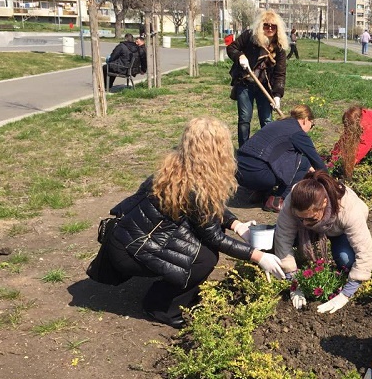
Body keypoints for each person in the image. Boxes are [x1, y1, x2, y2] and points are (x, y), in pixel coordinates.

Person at [93, 117, 285, 327]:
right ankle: (159, 305)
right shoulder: (193, 185)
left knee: (198, 250)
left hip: (129, 237)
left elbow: (207, 208)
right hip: (129, 249)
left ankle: (176, 294)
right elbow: (214, 236)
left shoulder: (178, 168)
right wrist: (258, 256)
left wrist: (236, 225)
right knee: (204, 259)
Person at [274, 170, 372, 314]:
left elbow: (365, 253)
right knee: (273, 244)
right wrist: (293, 281)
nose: (305, 223)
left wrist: (345, 294)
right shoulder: (293, 201)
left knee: (346, 261)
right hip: (310, 229)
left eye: (311, 218)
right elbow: (283, 237)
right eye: (301, 218)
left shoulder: (348, 209)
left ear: (324, 203)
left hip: (338, 229)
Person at [237, 104, 327, 213]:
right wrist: (329, 181)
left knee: (276, 159)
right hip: (258, 175)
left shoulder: (276, 124)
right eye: (312, 125)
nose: (310, 129)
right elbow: (317, 161)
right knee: (305, 162)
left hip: (238, 171)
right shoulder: (298, 133)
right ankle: (277, 200)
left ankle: (261, 193)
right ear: (305, 120)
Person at [227, 10, 289, 147]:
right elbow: (232, 48)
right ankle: (244, 149)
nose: (270, 28)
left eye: (273, 26)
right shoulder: (250, 37)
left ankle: (267, 150)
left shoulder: (279, 49)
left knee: (267, 121)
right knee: (244, 119)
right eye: (266, 25)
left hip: (265, 88)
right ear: (261, 26)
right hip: (245, 83)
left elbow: (280, 73)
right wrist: (240, 56)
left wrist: (277, 95)